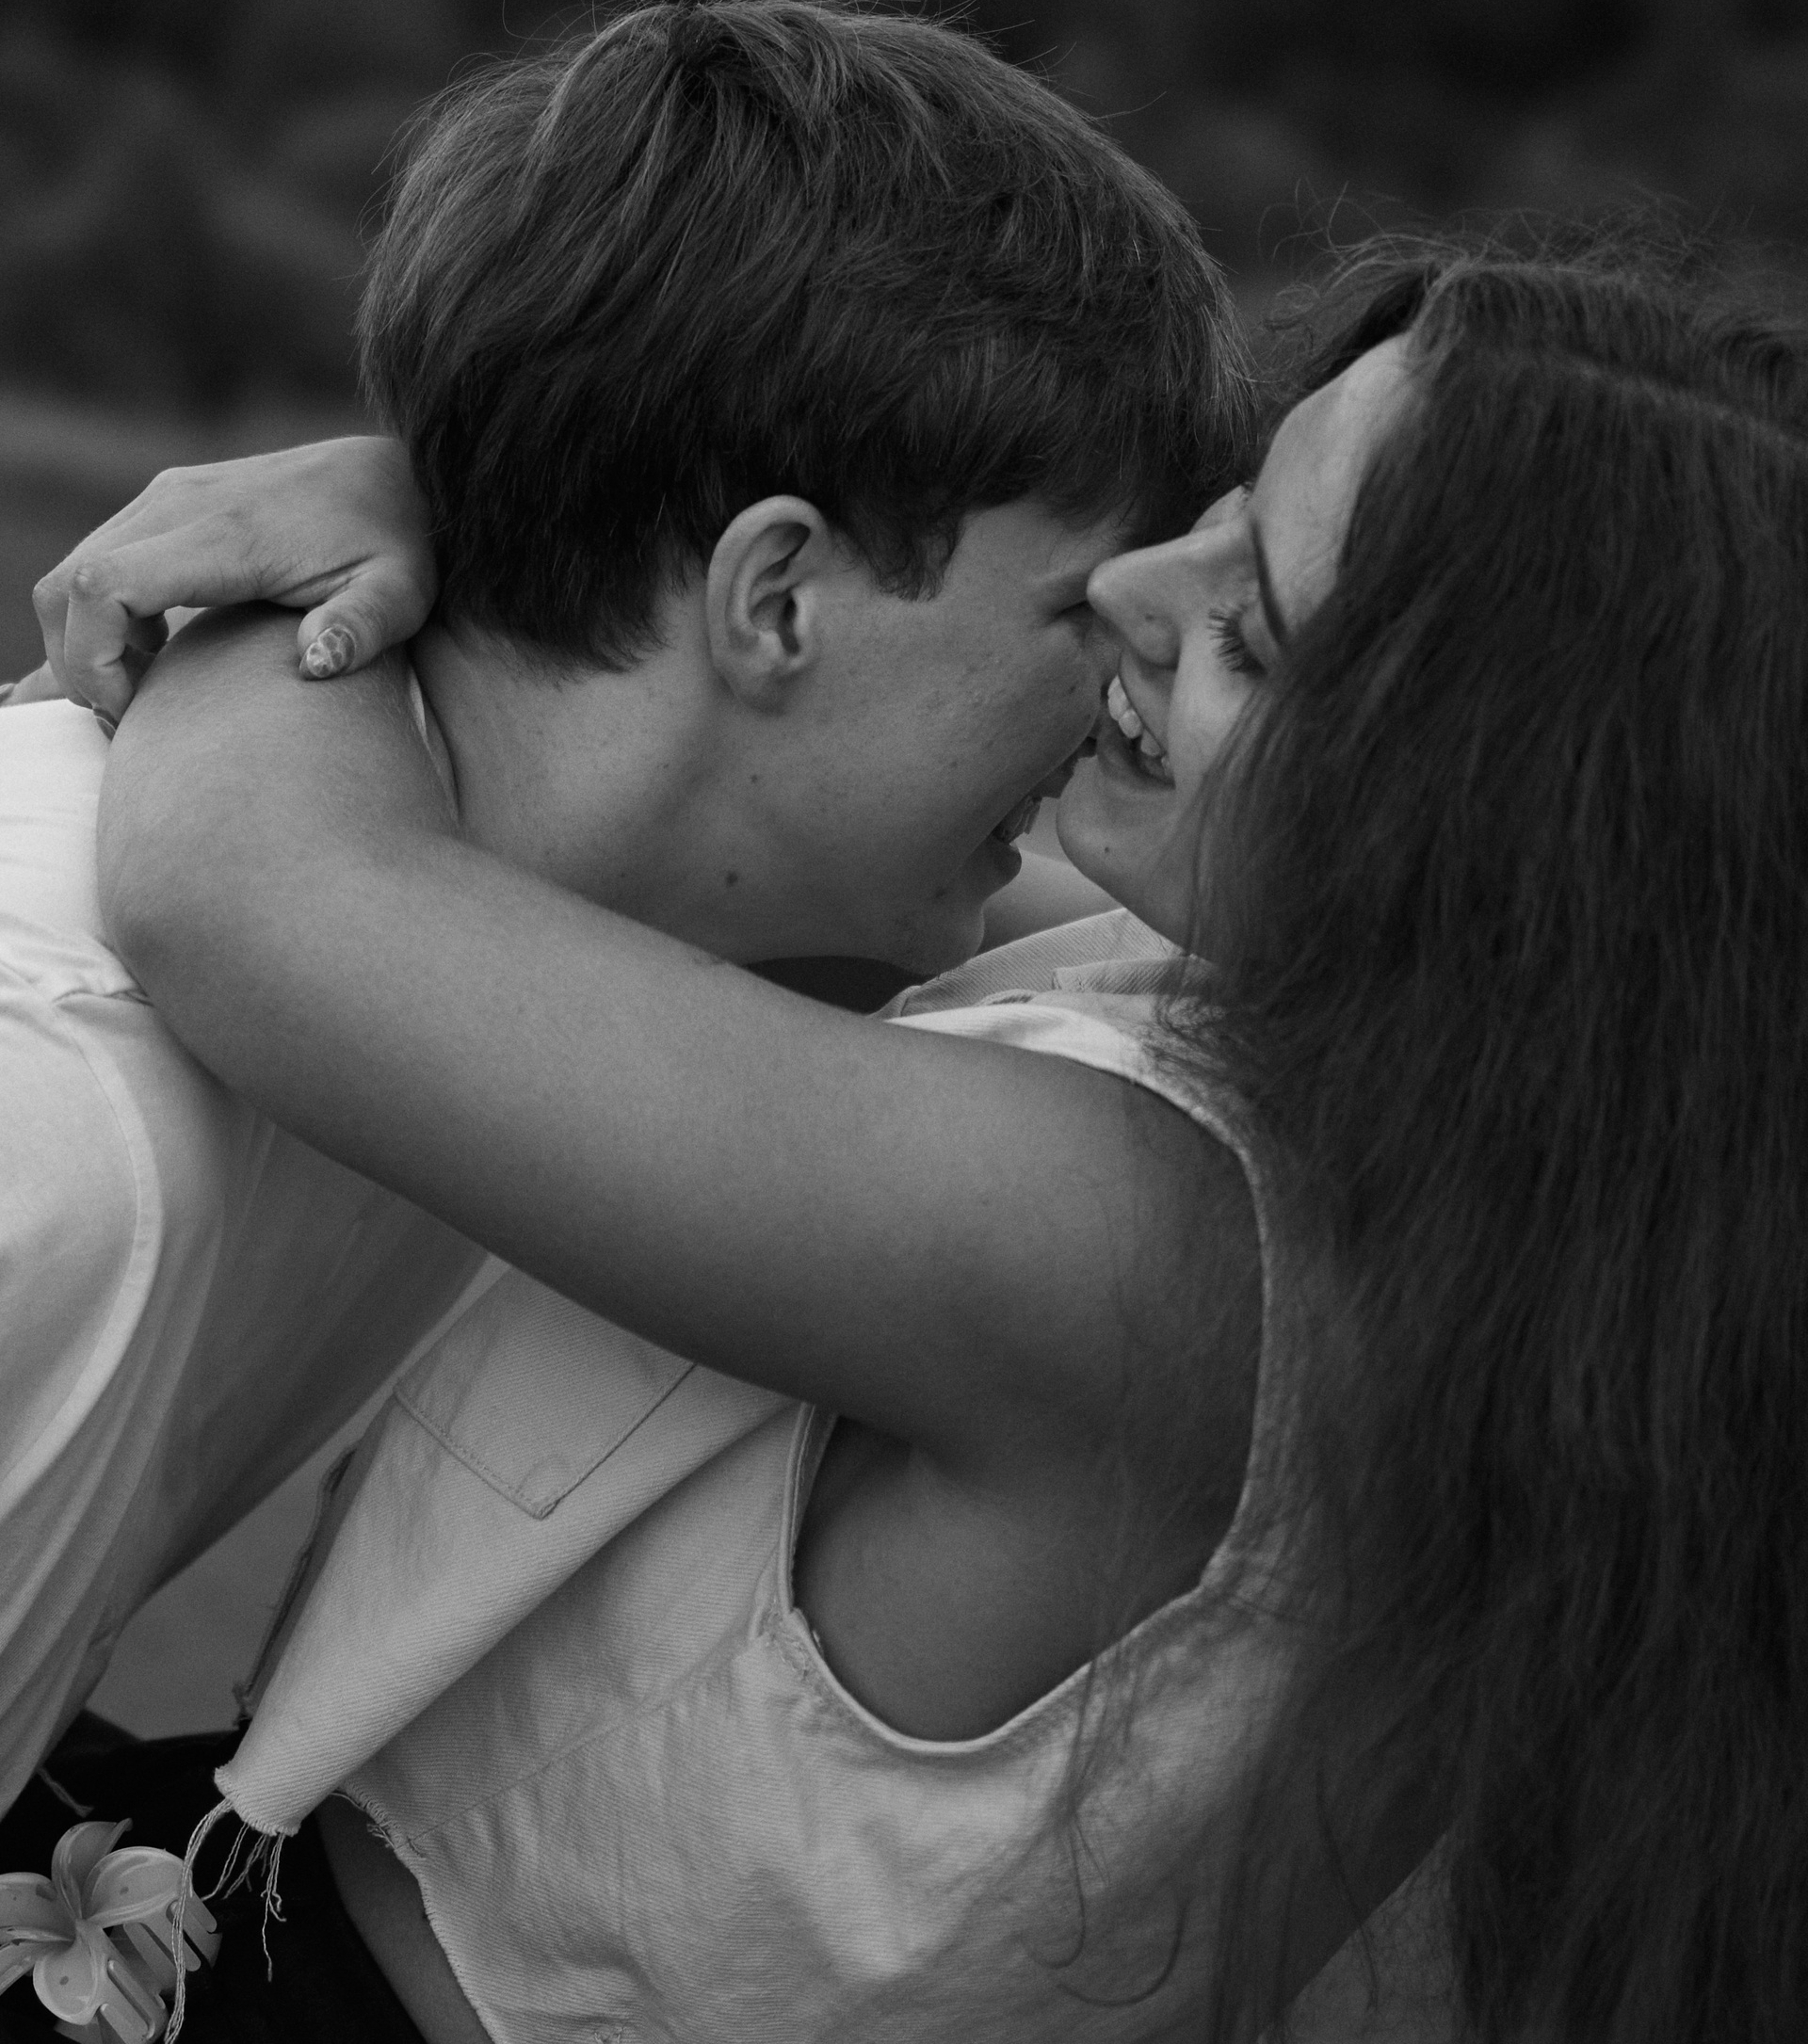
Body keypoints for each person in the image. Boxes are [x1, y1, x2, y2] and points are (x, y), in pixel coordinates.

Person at [54, 241, 1808, 2044]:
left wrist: (326, 573)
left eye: (1249, 629)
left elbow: (248, 898)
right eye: (1223, 510)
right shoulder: (1510, 1183)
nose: (1128, 584)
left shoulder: (1136, 1242)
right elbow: (825, 845)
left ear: (1500, 830)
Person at [0, 0, 1247, 1832]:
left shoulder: (522, 975)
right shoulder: (56, 1136)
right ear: (777, 600)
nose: (1118, 685)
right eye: (1078, 609)